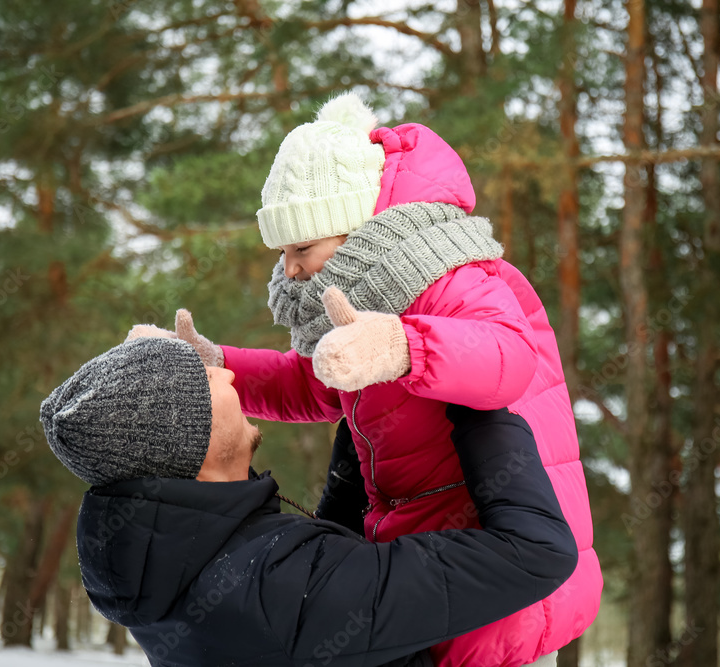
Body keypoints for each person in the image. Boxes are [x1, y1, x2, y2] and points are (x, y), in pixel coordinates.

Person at [152, 92, 602, 666]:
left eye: (301, 247)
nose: (288, 268)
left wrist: (402, 347)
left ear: (351, 229)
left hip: (503, 572)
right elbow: (313, 385)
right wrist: (218, 366)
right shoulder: (365, 296)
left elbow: (509, 359)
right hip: (429, 552)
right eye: (282, 250)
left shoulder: (454, 276)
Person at [40, 336, 579, 667]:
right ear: (193, 440)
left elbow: (318, 573)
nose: (228, 373)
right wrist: (476, 398)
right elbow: (534, 552)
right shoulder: (275, 596)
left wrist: (362, 418)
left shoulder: (164, 564)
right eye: (208, 381)